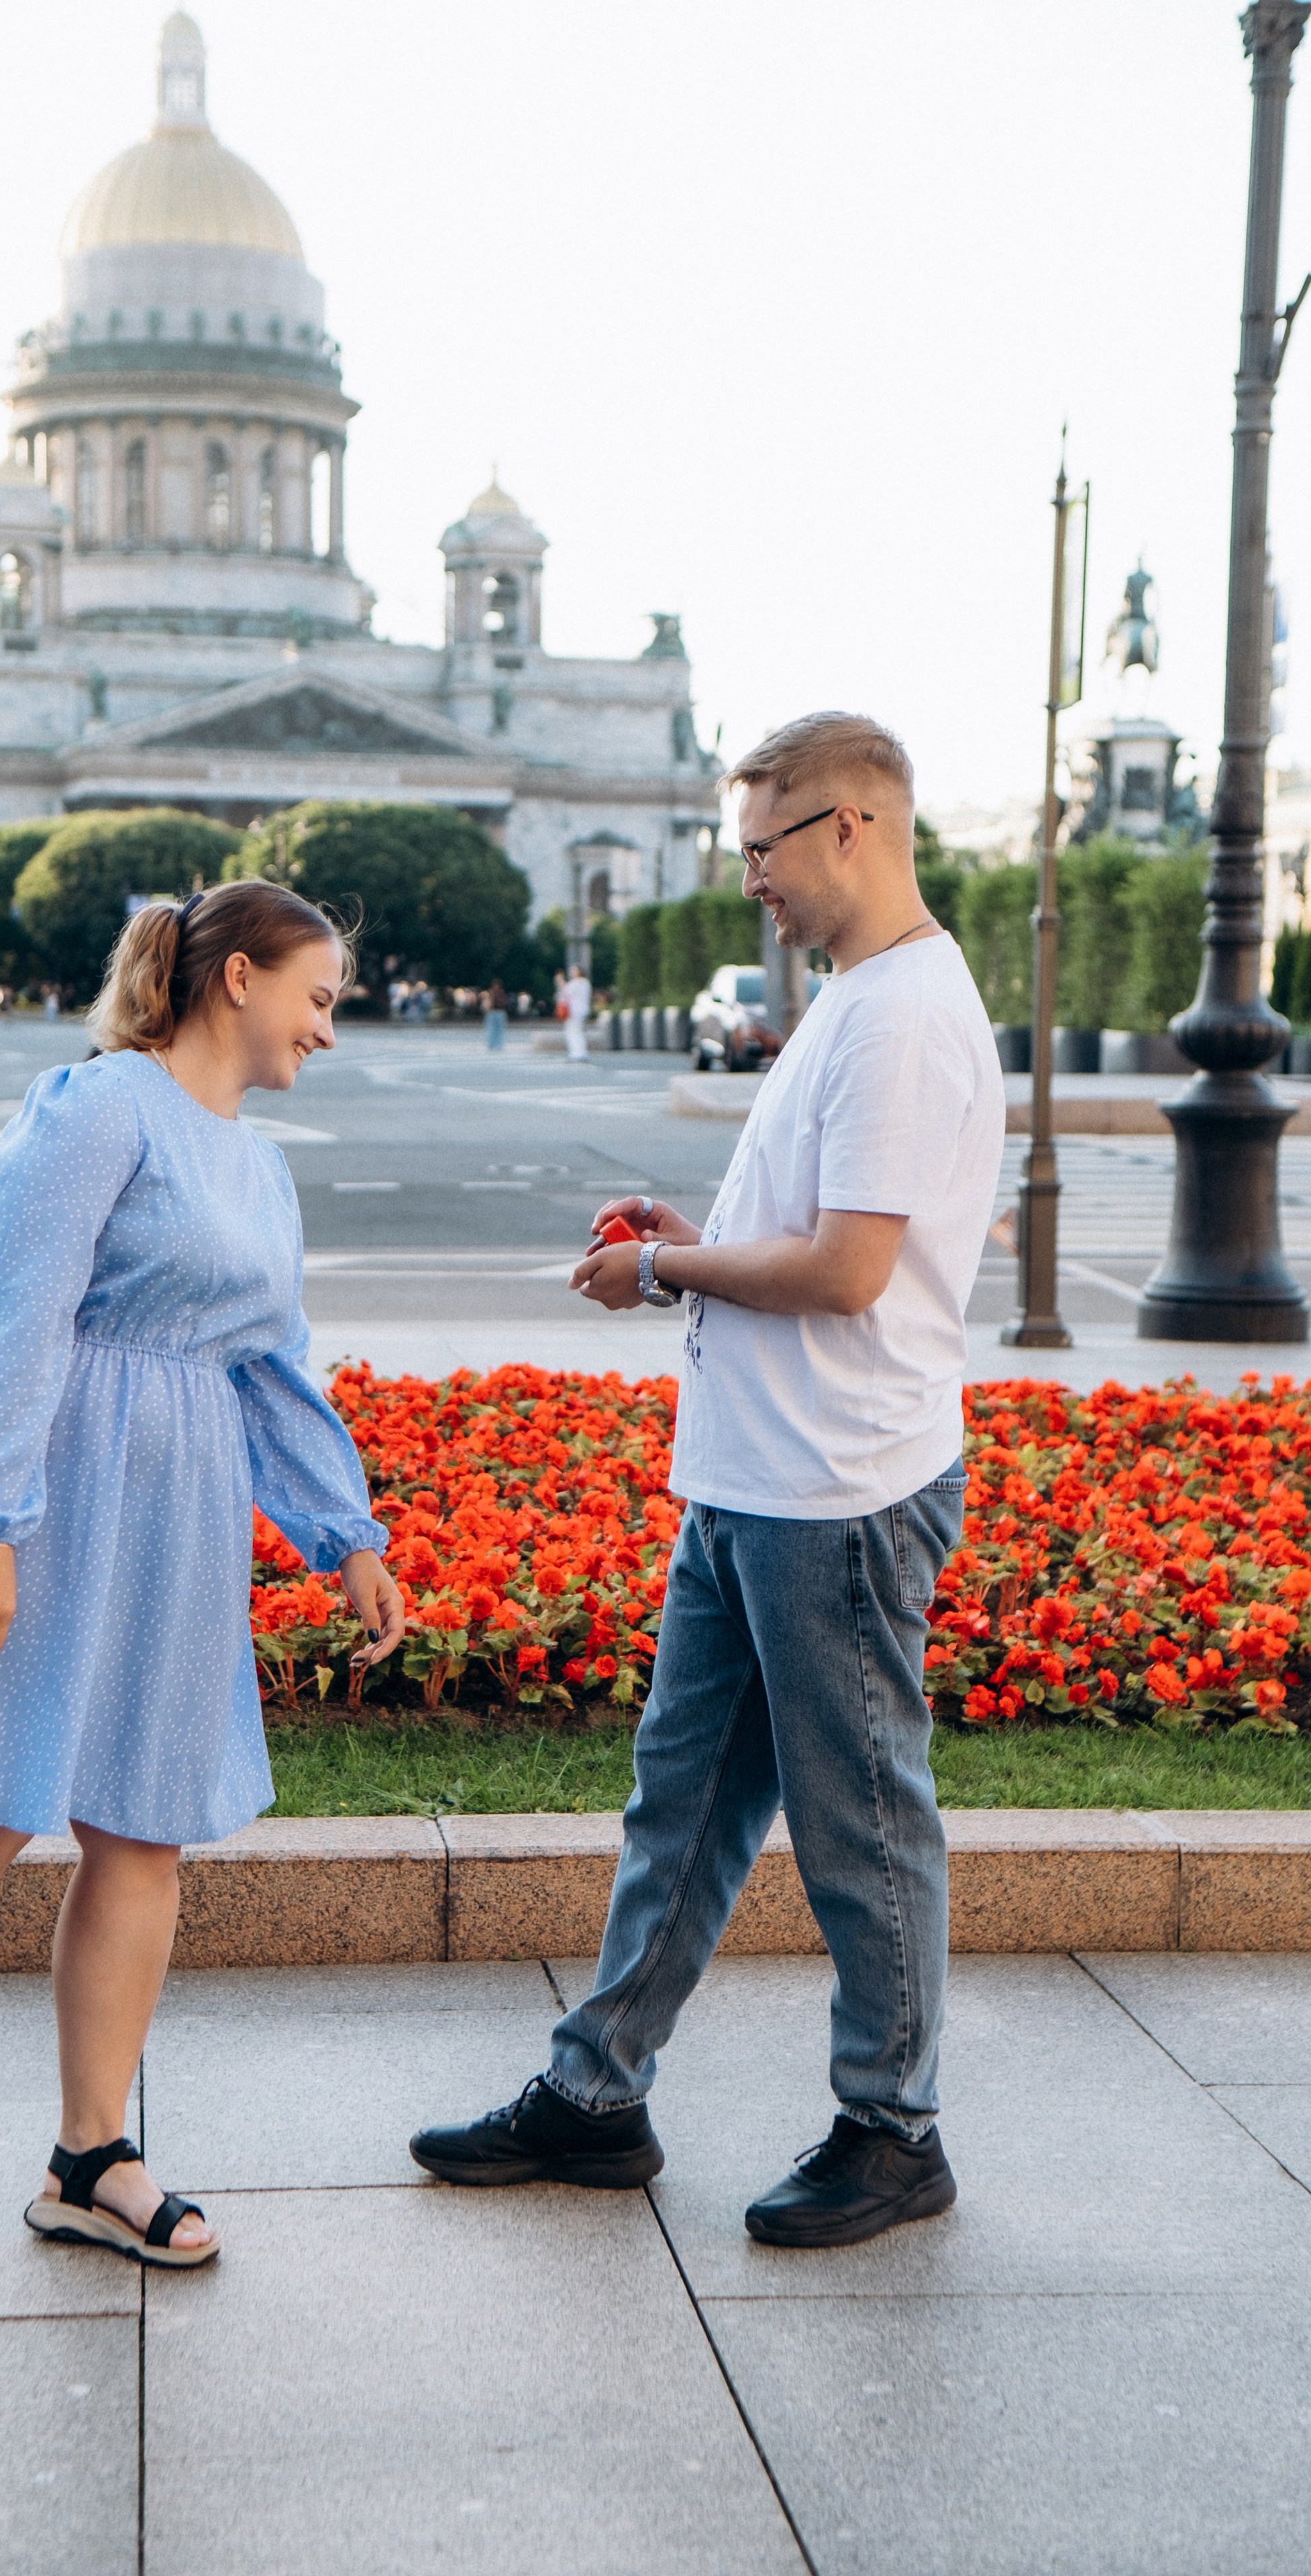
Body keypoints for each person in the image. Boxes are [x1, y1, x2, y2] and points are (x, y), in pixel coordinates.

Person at [410, 710, 1004, 2249]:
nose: (747, 878)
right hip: (760, 1477)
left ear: (848, 826)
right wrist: (695, 1238)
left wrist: (662, 1269)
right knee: (677, 1810)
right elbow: (811, 1234)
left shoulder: (898, 1015)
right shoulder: (856, 998)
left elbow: (847, 1271)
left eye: (761, 846)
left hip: (837, 1486)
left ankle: (893, 2130)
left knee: (860, 1828)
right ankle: (593, 2092)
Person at [0, 881, 405, 2267]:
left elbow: (269, 1363)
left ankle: (90, 2159)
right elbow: (19, 1321)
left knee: (144, 1830)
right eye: (319, 998)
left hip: (178, 1511)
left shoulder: (259, 1167)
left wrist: (346, 1535)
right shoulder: (97, 1110)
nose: (329, 1030)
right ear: (241, 978)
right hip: (47, 1488)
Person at [562, 961, 592, 1061]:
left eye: (574, 970)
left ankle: (576, 1053)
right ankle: (581, 1052)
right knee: (578, 1032)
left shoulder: (577, 982)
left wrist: (560, 981)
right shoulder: (586, 983)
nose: (572, 972)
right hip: (581, 1010)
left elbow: (565, 992)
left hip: (574, 1011)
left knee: (572, 1032)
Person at [482, 977, 509, 1052]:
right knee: (491, 1029)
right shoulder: (491, 993)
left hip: (499, 1012)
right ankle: (491, 1045)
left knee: (499, 1030)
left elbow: (504, 1003)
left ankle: (499, 1045)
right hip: (492, 1012)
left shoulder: (501, 993)